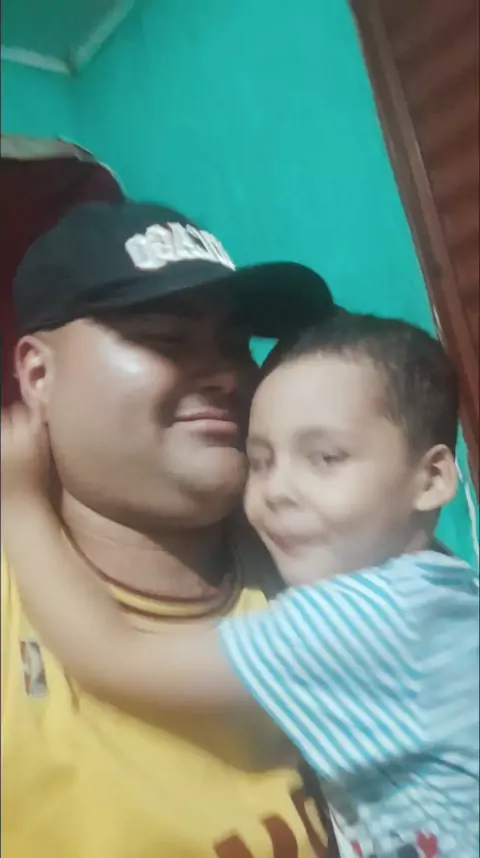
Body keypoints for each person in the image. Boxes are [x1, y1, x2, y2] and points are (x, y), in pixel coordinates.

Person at [3, 313, 479, 858]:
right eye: (258, 462)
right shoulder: (442, 589)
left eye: (326, 459)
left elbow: (114, 657)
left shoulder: (360, 618)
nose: (276, 491)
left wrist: (18, 503)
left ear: (432, 478)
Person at [1, 200, 338, 858]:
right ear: (39, 374)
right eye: (165, 339)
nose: (229, 375)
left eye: (237, 344)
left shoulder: (334, 564)